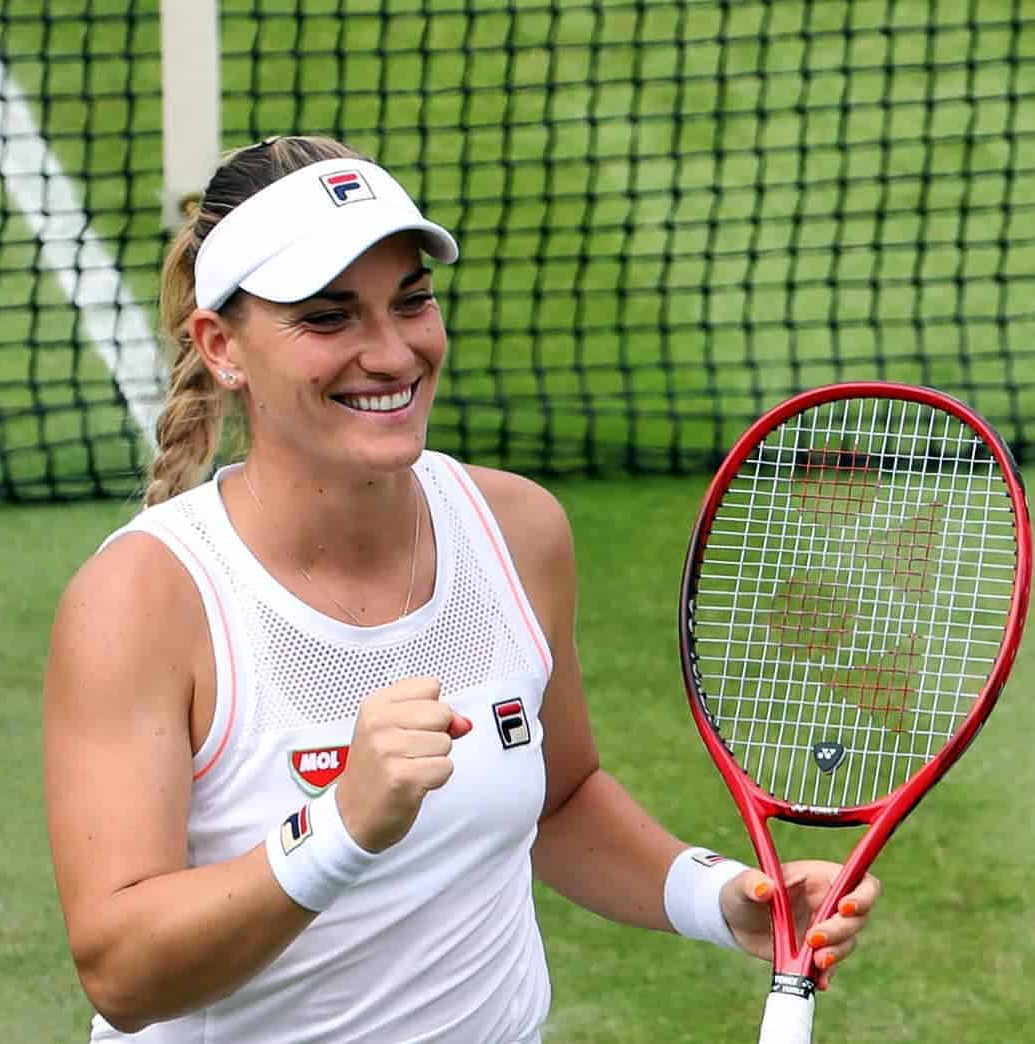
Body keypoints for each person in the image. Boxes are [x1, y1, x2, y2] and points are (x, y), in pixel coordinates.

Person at [43, 135, 880, 1044]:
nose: (392, 352)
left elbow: (561, 799)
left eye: (412, 302)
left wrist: (722, 898)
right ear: (223, 348)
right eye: (329, 318)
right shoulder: (142, 600)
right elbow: (122, 971)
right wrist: (340, 830)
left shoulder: (516, 530)